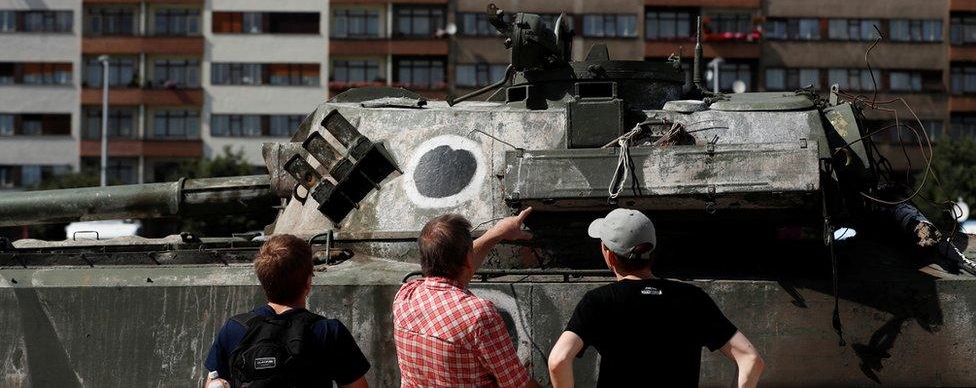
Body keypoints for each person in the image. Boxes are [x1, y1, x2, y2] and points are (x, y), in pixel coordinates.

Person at [547, 209, 764, 388]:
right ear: (651, 251)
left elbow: (558, 360)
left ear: (610, 255)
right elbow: (751, 359)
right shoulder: (693, 299)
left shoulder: (598, 301)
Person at [393, 208, 542, 388]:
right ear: (467, 259)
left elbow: (455, 262)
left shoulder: (405, 296)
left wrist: (496, 234)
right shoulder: (478, 316)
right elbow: (518, 385)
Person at [204, 234, 370, 387]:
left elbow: (213, 383)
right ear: (308, 282)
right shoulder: (328, 331)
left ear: (263, 282)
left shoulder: (234, 329)